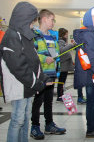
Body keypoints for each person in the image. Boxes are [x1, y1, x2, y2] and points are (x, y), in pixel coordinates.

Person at [0, 2, 53, 142]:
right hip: (19, 85)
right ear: (23, 19)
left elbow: (34, 61)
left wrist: (44, 77)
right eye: (31, 21)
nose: (32, 25)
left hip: (28, 86)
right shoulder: (11, 36)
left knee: (25, 119)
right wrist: (37, 83)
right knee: (17, 120)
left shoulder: (25, 36)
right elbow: (18, 66)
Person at [31, 9, 66, 140]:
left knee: (49, 101)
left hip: (51, 74)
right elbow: (32, 54)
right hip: (40, 75)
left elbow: (55, 53)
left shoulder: (52, 37)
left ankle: (49, 124)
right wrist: (44, 59)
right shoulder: (35, 35)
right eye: (52, 19)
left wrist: (55, 59)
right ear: (44, 19)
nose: (53, 22)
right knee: (38, 101)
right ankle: (35, 126)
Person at [73, 8, 94, 138]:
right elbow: (92, 59)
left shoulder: (93, 33)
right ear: (89, 20)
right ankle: (91, 129)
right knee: (92, 102)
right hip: (91, 75)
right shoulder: (89, 34)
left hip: (93, 74)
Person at [56, 28, 75, 102]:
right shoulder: (60, 41)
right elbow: (62, 50)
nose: (67, 36)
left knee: (63, 81)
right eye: (66, 34)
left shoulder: (63, 41)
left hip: (65, 66)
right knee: (61, 81)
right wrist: (71, 45)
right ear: (63, 34)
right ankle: (60, 95)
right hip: (63, 66)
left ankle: (61, 94)